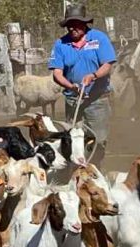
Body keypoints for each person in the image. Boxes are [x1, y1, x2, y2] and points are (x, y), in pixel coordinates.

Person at [48, 4, 117, 168]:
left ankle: (95, 169)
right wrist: (71, 86)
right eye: (69, 24)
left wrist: (93, 75)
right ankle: (77, 173)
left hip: (97, 101)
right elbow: (57, 73)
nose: (72, 28)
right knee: (74, 141)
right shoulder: (61, 44)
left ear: (84, 23)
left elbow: (107, 64)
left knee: (98, 141)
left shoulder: (99, 39)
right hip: (73, 101)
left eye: (76, 23)